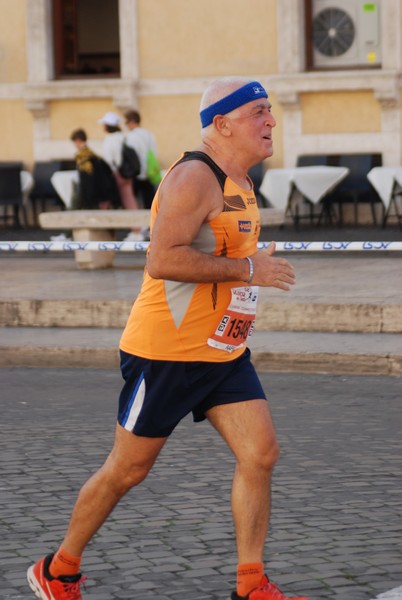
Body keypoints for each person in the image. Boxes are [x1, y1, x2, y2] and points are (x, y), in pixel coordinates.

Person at [27, 77, 308, 600]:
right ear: (222, 124)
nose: (271, 120)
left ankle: (251, 584)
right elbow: (161, 260)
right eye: (259, 112)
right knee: (127, 470)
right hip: (165, 354)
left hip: (223, 352)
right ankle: (58, 568)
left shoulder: (241, 178)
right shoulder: (193, 178)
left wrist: (244, 279)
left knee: (261, 454)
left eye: (270, 111)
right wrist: (250, 269)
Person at [98, 111, 145, 240]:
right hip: (126, 172)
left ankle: (104, 231)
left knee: (106, 201)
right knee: (129, 199)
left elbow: (108, 159)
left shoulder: (110, 139)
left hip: (116, 173)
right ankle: (137, 228)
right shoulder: (123, 137)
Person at [70, 128, 120, 210]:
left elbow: (86, 176)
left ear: (78, 140)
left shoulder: (82, 155)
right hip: (101, 190)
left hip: (92, 192)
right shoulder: (91, 154)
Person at [124, 109, 161, 210]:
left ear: (131, 121)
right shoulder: (149, 134)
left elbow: (132, 157)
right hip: (151, 172)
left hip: (138, 173)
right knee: (151, 202)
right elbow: (154, 153)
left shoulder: (131, 137)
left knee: (139, 203)